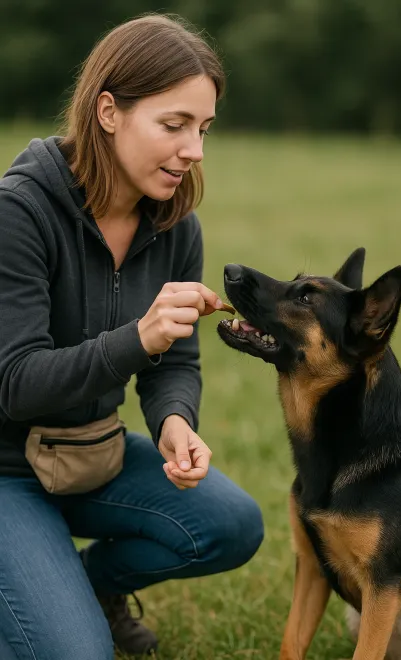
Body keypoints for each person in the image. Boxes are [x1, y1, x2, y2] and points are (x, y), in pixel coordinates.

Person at [0, 14, 264, 660]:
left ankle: (84, 587)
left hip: (92, 454)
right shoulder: (20, 211)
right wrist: (136, 338)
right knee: (76, 654)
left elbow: (174, 364)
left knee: (233, 524)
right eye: (173, 126)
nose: (194, 150)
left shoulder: (177, 225)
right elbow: (15, 383)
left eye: (202, 129)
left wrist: (175, 421)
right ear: (109, 112)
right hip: (8, 471)